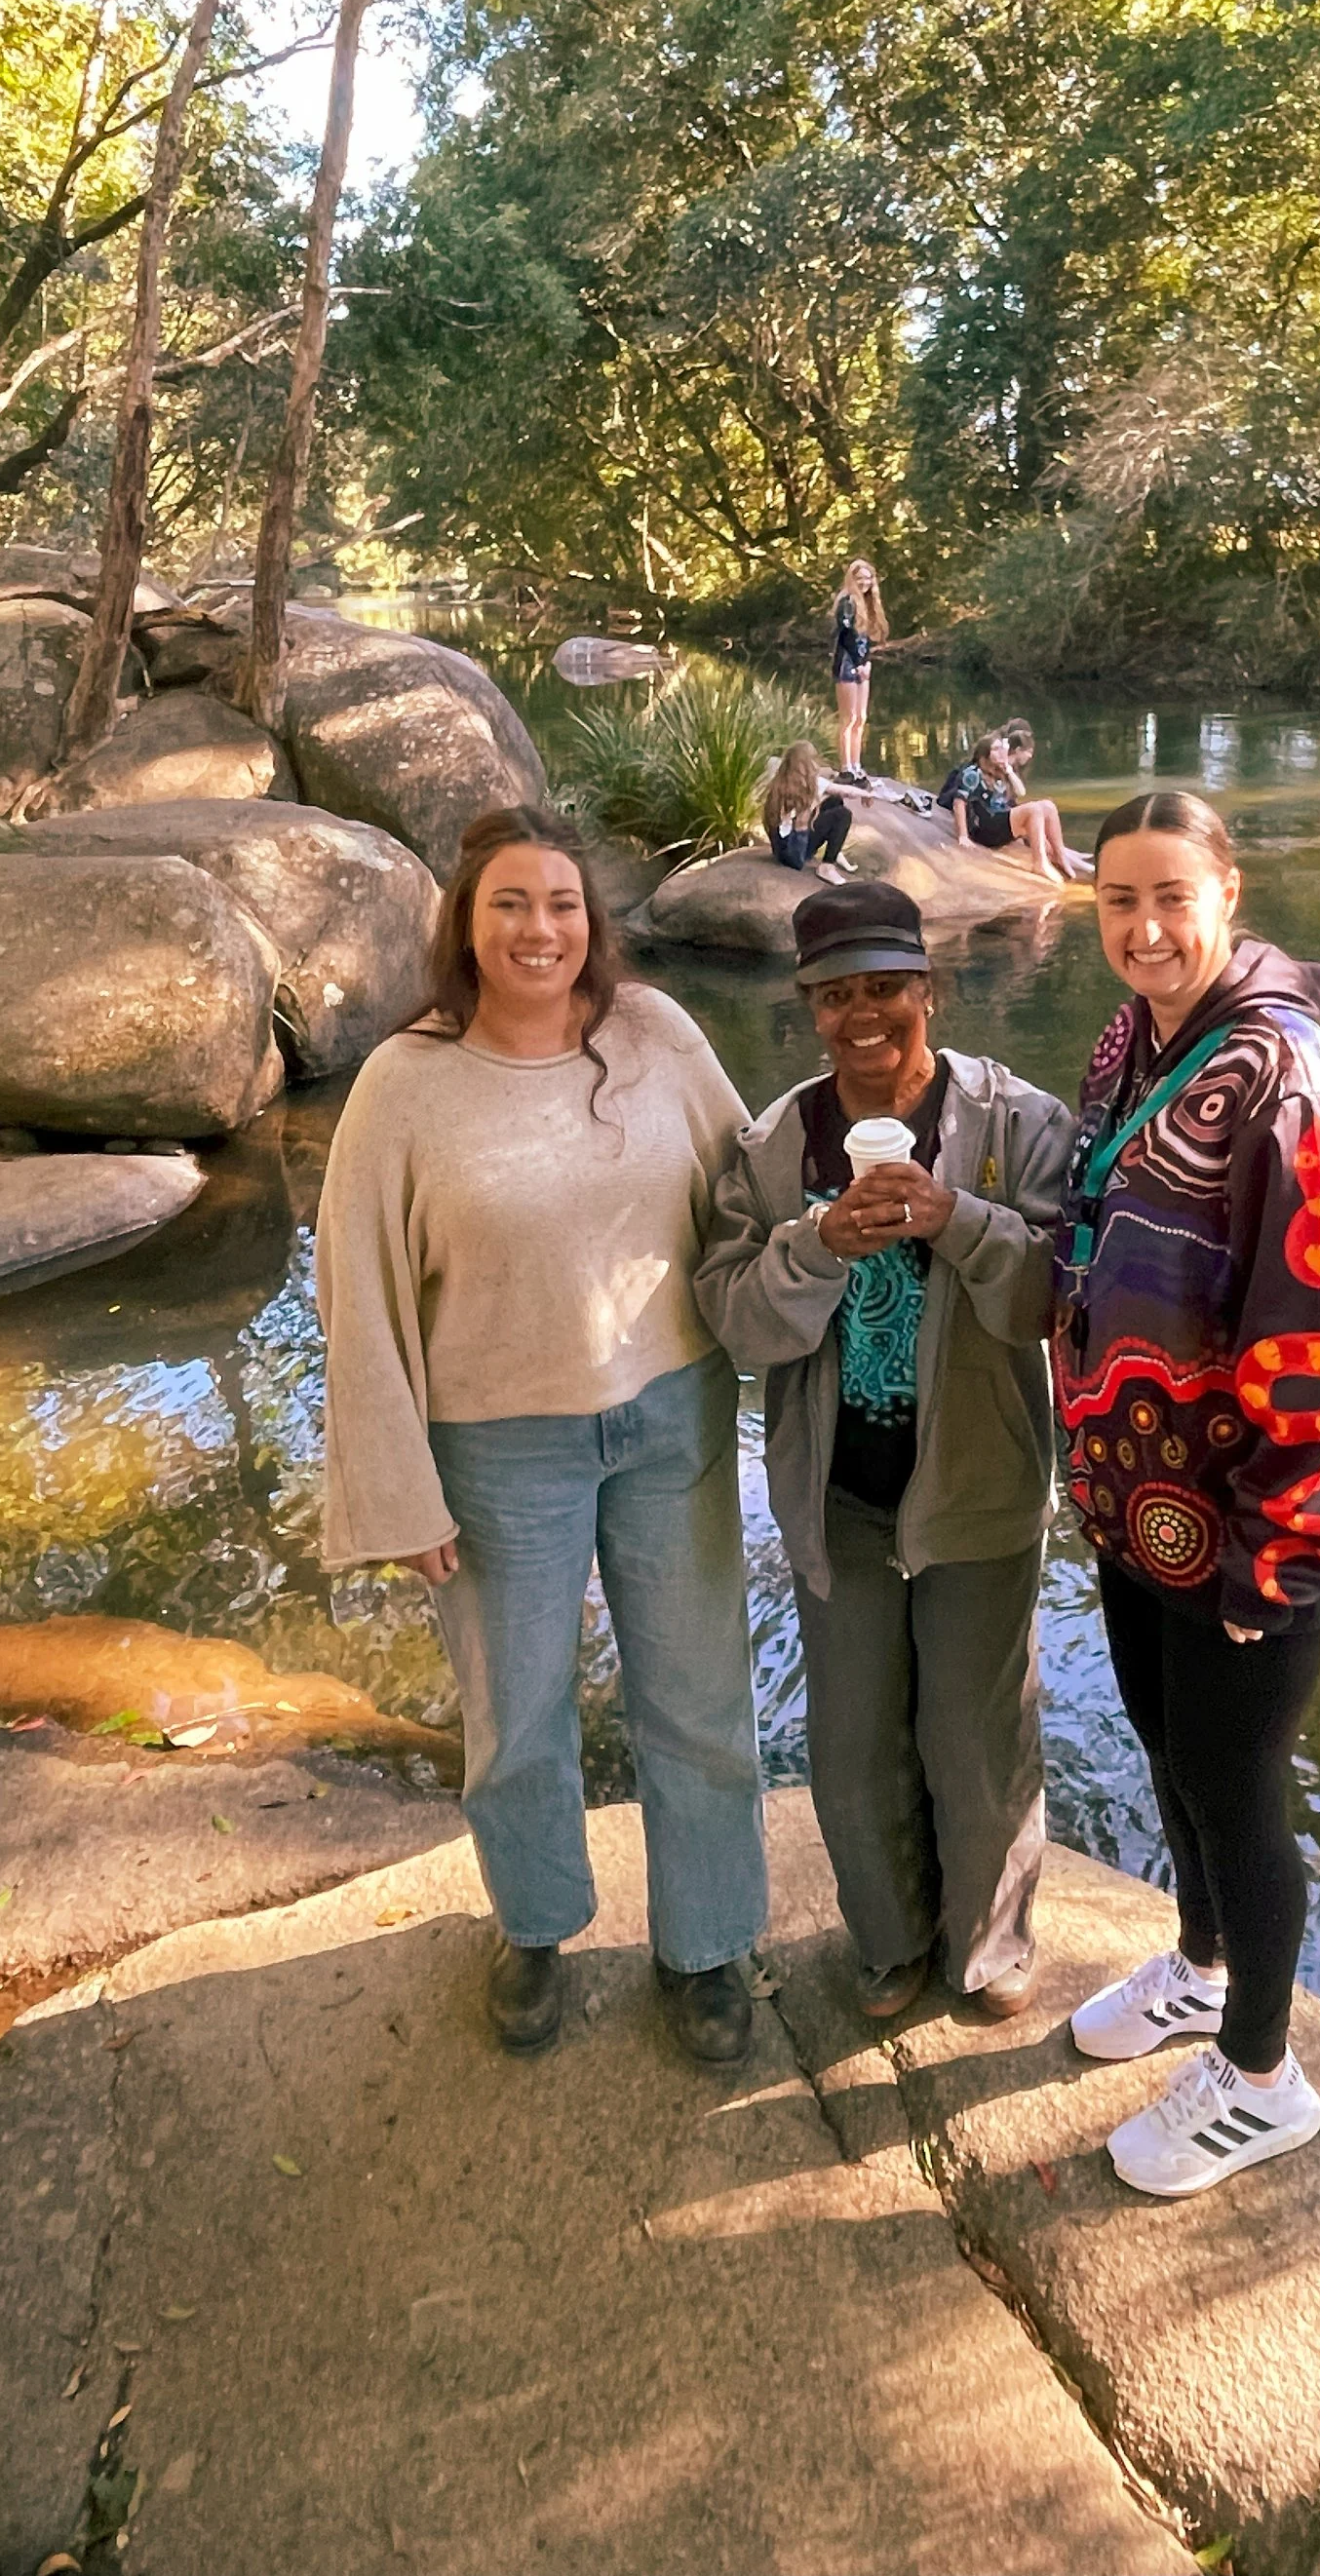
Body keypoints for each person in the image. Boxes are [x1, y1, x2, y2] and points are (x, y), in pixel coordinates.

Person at [314, 804, 769, 2067]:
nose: (539, 927)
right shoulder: (403, 1083)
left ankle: (710, 1942)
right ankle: (535, 1924)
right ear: (465, 920)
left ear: (592, 921)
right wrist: (397, 1492)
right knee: (517, 1712)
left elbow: (750, 1190)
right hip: (496, 1447)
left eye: (561, 903)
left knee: (698, 1694)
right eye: (510, 902)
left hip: (671, 1415)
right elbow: (355, 1294)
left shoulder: (655, 1036)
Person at [1054, 789, 1320, 2197]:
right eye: (1119, 900)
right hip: (1146, 1502)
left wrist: (1276, 1556)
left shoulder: (1290, 1084)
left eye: (1170, 897)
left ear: (1227, 894)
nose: (1144, 927)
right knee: (1168, 1747)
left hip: (1260, 1525)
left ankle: (1263, 2074)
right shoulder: (1133, 1040)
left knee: (1239, 1786)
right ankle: (1199, 1970)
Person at [694, 881, 1074, 2021]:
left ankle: (989, 1946)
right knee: (855, 1738)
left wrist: (953, 1217)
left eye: (887, 990)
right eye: (835, 996)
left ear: (933, 991)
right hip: (838, 1494)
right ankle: (889, 1940)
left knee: (976, 1732)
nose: (863, 1017)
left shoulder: (1020, 1127)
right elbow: (737, 1324)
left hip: (978, 1486)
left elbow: (1050, 1301)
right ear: (809, 1006)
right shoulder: (769, 1151)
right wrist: (811, 1247)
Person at [942, 730, 1079, 883]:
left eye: (1002, 748)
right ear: (984, 754)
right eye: (996, 749)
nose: (1001, 752)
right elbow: (959, 802)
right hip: (986, 828)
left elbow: (1021, 791)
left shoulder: (1000, 772)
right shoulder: (972, 774)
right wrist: (963, 836)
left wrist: (1008, 769)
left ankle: (1060, 856)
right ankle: (1040, 862)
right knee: (1033, 809)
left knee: (1048, 806)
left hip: (1000, 820)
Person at [763, 740, 854, 879]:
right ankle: (827, 866)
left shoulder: (784, 779)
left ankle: (836, 849)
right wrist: (872, 794)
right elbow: (844, 790)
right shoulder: (792, 789)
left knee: (834, 801)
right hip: (794, 851)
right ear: (802, 764)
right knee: (842, 815)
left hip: (785, 844)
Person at [832, 559, 887, 782]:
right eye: (860, 578)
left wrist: (867, 662)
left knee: (861, 717)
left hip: (863, 664)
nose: (864, 582)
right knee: (849, 717)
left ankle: (856, 764)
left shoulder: (868, 603)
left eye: (868, 577)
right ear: (851, 579)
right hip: (847, 663)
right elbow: (847, 638)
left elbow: (865, 640)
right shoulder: (847, 602)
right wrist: (858, 663)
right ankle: (846, 767)